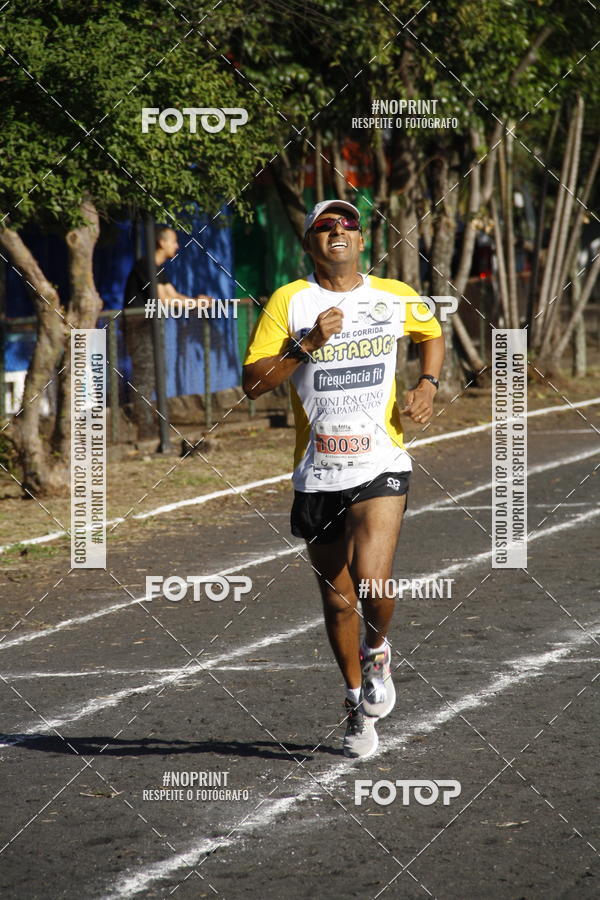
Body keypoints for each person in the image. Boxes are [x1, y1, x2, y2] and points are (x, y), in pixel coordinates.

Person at [242, 200, 445, 758]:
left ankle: (377, 651)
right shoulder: (290, 300)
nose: (338, 231)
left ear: (361, 240)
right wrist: (306, 344)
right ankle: (355, 702)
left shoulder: (394, 294)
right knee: (338, 600)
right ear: (310, 242)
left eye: (348, 224)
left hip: (381, 461)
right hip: (317, 471)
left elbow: (431, 332)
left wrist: (427, 384)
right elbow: (254, 383)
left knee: (372, 582)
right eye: (325, 226)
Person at [123, 226, 210, 439]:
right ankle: (144, 426)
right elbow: (164, 299)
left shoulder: (158, 268)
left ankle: (151, 422)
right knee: (145, 374)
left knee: (156, 372)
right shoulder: (145, 265)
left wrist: (196, 302)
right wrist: (195, 304)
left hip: (151, 327)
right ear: (162, 243)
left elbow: (173, 294)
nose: (177, 246)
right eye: (173, 241)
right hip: (139, 327)